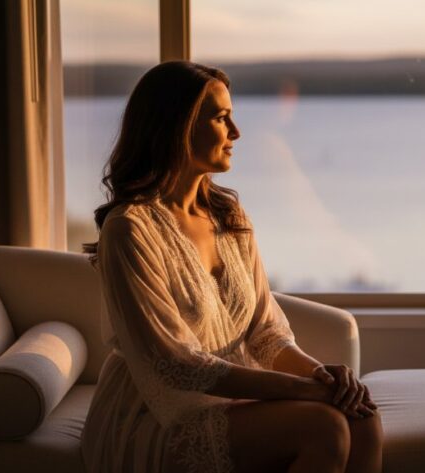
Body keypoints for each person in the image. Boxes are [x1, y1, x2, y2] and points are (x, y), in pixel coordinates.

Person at [80, 61, 383, 473]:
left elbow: (265, 331)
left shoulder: (228, 214)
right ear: (178, 126)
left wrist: (323, 377)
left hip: (233, 400)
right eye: (221, 118)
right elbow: (177, 365)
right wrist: (306, 393)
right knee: (323, 427)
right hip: (156, 415)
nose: (236, 133)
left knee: (362, 419)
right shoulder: (130, 231)